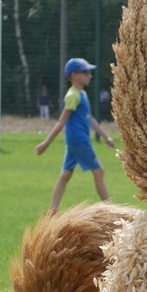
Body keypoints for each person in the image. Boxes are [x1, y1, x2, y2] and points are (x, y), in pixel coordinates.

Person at [36, 57, 115, 213]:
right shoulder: (73, 96)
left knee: (66, 174)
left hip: (75, 141)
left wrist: (106, 137)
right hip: (80, 141)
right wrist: (45, 143)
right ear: (74, 75)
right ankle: (110, 207)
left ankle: (52, 210)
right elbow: (61, 121)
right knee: (99, 171)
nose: (89, 75)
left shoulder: (82, 94)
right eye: (86, 72)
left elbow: (89, 119)